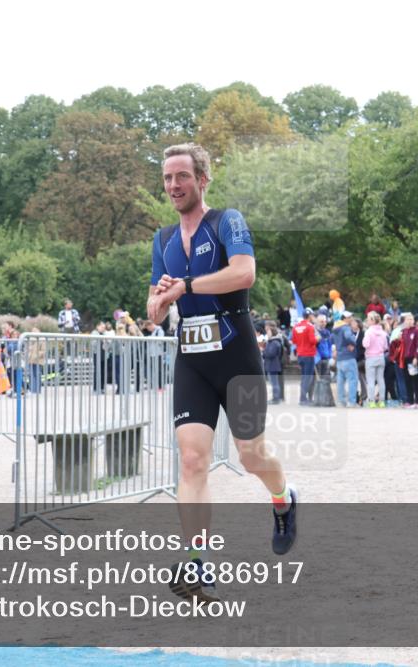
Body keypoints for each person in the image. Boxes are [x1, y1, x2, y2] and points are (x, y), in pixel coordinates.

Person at [146, 143, 295, 604]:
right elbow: (153, 309)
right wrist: (159, 301)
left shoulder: (227, 220)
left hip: (237, 354)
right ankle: (197, 563)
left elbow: (244, 273)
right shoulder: (162, 239)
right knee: (192, 460)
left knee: (251, 455)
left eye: (182, 177)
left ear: (202, 179)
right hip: (192, 357)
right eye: (168, 178)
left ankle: (284, 498)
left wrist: (186, 286)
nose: (173, 185)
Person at [291, 308, 319, 406]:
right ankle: (303, 399)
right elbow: (312, 341)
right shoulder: (310, 327)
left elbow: (294, 341)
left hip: (300, 354)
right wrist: (317, 339)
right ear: (310, 316)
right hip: (309, 355)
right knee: (308, 377)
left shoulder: (296, 326)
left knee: (304, 377)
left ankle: (303, 398)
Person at [361, 311, 388, 407]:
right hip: (381, 357)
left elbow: (365, 344)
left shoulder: (368, 332)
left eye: (368, 319)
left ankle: (371, 401)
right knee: (381, 380)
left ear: (372, 320)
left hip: (371, 358)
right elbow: (385, 347)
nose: (367, 321)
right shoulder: (383, 333)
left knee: (371, 380)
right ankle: (382, 401)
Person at [333, 311, 359, 408]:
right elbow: (349, 337)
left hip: (340, 358)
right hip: (348, 357)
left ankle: (341, 401)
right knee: (352, 380)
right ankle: (351, 402)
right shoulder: (346, 328)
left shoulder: (336, 328)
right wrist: (353, 343)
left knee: (340, 381)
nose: (351, 319)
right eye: (350, 317)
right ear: (345, 318)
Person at [262, 322, 286, 404]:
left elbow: (270, 353)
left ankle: (276, 398)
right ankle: (275, 398)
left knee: (274, 383)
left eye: (268, 332)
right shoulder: (272, 342)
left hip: (273, 366)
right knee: (273, 383)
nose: (267, 334)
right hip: (271, 365)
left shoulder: (274, 342)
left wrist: (264, 352)